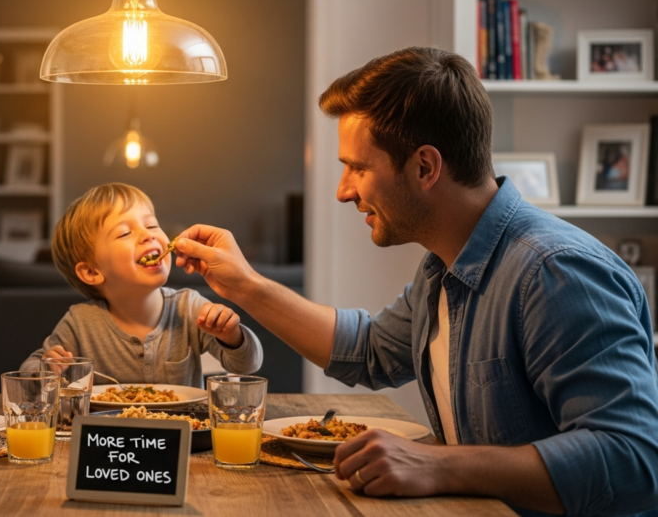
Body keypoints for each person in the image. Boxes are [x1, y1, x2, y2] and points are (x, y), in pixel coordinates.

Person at [172, 47, 658, 516]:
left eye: (357, 168)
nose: (344, 192)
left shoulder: (555, 273)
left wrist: (437, 463)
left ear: (425, 166)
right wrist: (243, 285)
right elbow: (369, 351)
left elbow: (634, 460)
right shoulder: (443, 267)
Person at [19, 183, 262, 387]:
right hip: (108, 438)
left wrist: (232, 336)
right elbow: (28, 374)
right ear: (92, 271)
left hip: (182, 439)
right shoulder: (80, 323)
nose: (148, 235)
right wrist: (47, 368)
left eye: (152, 225)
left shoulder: (189, 308)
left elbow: (248, 365)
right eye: (125, 233)